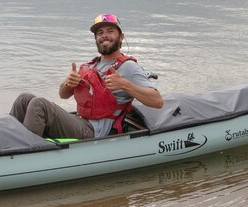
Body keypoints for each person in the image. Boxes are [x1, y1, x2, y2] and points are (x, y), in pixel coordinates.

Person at [10, 14, 163, 139]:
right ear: (96, 38)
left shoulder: (128, 67)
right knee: (23, 99)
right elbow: (63, 95)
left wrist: (124, 84)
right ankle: (7, 142)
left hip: (94, 132)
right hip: (80, 122)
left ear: (121, 37)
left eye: (110, 31)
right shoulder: (90, 66)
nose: (105, 36)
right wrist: (68, 83)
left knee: (39, 105)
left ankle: (24, 154)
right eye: (100, 33)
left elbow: (157, 101)